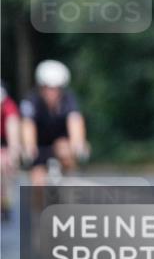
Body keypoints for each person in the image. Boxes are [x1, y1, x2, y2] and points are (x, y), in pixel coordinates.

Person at [20, 60, 89, 192]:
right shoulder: (31, 101)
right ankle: (40, 211)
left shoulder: (68, 99)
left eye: (55, 88)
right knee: (37, 183)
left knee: (65, 149)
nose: (51, 92)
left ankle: (68, 180)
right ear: (41, 87)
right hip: (39, 147)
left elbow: (75, 121)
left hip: (60, 144)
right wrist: (28, 148)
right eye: (47, 88)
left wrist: (78, 144)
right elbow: (27, 126)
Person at [0, 81, 21, 221]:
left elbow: (13, 135)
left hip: (5, 142)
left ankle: (5, 200)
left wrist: (13, 154)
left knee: (5, 163)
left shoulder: (9, 107)